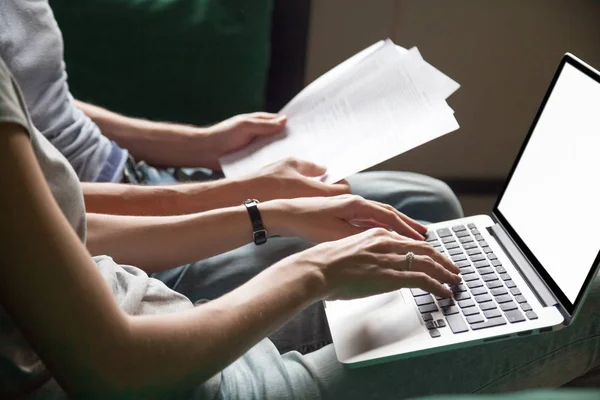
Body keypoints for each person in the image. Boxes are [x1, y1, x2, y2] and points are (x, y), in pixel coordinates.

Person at [2, 55, 600, 400]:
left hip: (177, 323)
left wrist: (270, 214)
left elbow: (73, 228)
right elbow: (116, 371)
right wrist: (312, 269)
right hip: (209, 378)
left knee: (444, 245)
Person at [0, 0, 463, 331]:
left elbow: (45, 102)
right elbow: (55, 214)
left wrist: (202, 145)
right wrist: (257, 205)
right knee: (407, 251)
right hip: (114, 243)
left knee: (430, 200)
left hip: (139, 180)